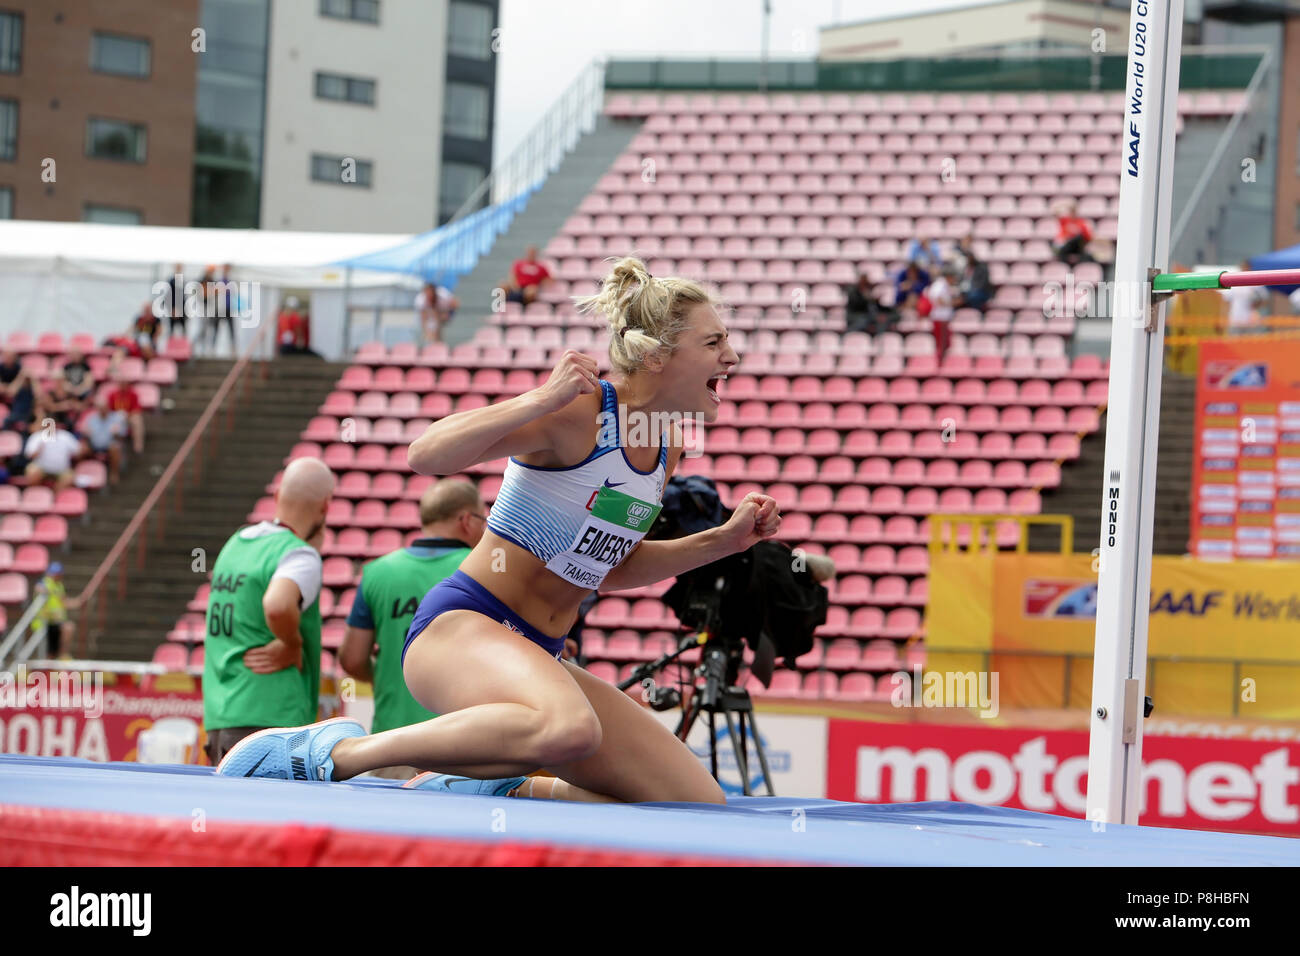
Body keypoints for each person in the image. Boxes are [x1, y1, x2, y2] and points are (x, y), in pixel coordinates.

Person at [216, 256, 781, 805]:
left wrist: (723, 542)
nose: (731, 356)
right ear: (657, 356)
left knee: (691, 799)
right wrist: (538, 398)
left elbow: (608, 569)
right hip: (463, 629)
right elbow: (425, 454)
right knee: (570, 728)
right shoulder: (579, 414)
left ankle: (489, 785)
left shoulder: (666, 444)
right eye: (713, 343)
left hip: (539, 652)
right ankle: (337, 752)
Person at [339, 479, 488, 779]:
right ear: (466, 520)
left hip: (390, 745)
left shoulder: (378, 572)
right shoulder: (482, 569)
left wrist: (390, 676)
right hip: (463, 745)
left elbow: (352, 658)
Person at [202, 457, 335, 765]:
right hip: (273, 719)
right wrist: (292, 643)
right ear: (325, 507)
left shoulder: (235, 544)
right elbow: (277, 605)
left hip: (221, 716)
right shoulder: (299, 553)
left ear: (276, 496)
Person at [79, 396, 128, 485]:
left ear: (108, 407)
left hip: (109, 445)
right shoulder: (92, 418)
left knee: (115, 447)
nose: (102, 410)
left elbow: (123, 434)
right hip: (93, 444)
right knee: (81, 449)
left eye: (104, 408)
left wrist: (117, 432)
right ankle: (80, 473)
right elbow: (85, 431)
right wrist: (86, 432)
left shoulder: (116, 418)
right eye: (100, 408)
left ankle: (114, 473)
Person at [23, 419, 82, 490]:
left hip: (62, 470)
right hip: (41, 468)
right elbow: (29, 455)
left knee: (69, 478)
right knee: (32, 472)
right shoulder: (37, 436)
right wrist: (38, 450)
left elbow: (78, 453)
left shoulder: (66, 436)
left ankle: (56, 497)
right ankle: (37, 496)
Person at [33, 561, 74, 659]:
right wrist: (46, 591)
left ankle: (62, 656)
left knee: (67, 628)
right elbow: (38, 588)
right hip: (44, 621)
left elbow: (64, 601)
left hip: (55, 622)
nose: (57, 576)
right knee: (66, 629)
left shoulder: (59, 586)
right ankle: (60, 656)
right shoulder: (45, 582)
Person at [1220, 260, 1267, 336]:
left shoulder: (1256, 283)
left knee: (1249, 344)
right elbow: (1226, 301)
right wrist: (1223, 318)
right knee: (1234, 343)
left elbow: (1264, 300)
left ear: (1250, 268)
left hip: (1251, 320)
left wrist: (1256, 307)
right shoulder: (1233, 282)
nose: (1244, 269)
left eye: (1246, 267)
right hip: (1235, 319)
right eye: (1243, 267)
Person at [106, 373, 145, 455]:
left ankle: (138, 445)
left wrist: (127, 415)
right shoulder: (112, 394)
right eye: (121, 383)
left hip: (129, 416)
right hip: (116, 417)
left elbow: (137, 409)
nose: (122, 385)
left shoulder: (133, 394)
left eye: (124, 383)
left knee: (137, 420)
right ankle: (113, 446)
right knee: (112, 423)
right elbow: (109, 409)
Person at [0, 350, 38, 433]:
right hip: (13, 408)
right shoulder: (1, 368)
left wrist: (31, 378)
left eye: (10, 356)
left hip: (27, 412)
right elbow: (9, 392)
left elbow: (39, 394)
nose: (8, 359)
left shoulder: (19, 368)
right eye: (6, 356)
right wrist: (20, 377)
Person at [927, 264, 958, 361]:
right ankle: (940, 362)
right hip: (940, 318)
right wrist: (951, 303)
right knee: (941, 343)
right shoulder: (939, 284)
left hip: (944, 317)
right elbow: (937, 299)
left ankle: (943, 362)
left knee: (946, 343)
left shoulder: (944, 285)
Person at [1052, 200, 1094, 268]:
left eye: (1073, 211)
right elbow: (1054, 213)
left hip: (1077, 247)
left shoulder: (1081, 223)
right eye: (1070, 211)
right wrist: (1063, 204)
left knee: (1077, 238)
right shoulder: (1065, 221)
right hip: (1066, 246)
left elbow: (1088, 237)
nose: (1071, 213)